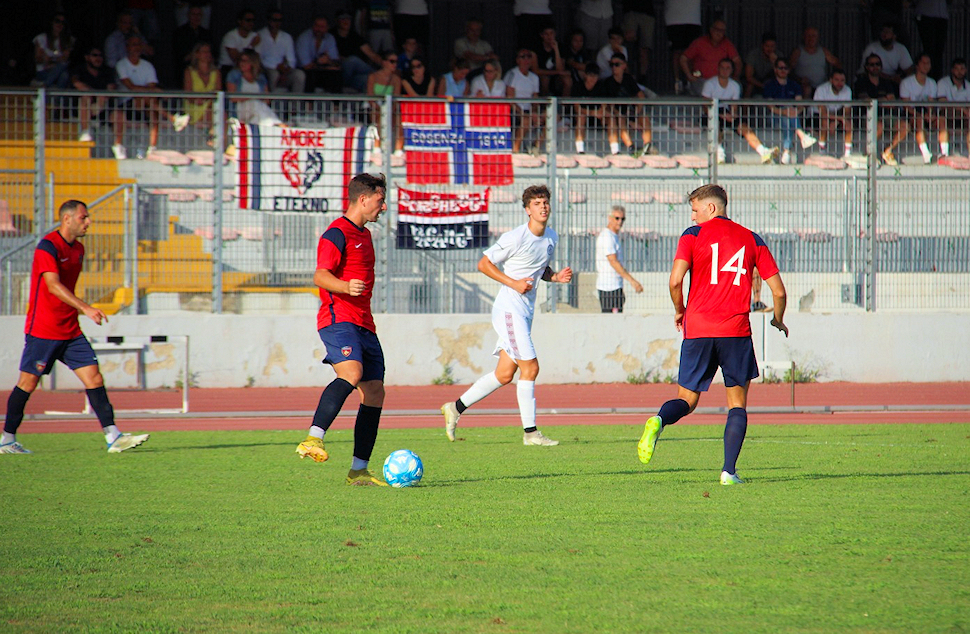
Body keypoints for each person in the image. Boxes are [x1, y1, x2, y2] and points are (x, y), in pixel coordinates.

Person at [636, 184, 788, 485]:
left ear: (711, 208)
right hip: (735, 332)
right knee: (737, 404)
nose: (692, 217)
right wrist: (777, 319)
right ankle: (729, 472)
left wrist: (680, 310)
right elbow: (779, 291)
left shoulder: (692, 236)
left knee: (687, 400)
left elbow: (675, 281)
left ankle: (658, 420)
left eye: (695, 210)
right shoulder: (752, 239)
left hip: (698, 329)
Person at [1, 200, 150, 455]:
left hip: (70, 330)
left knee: (94, 377)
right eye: (83, 217)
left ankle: (113, 436)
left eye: (88, 217)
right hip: (44, 330)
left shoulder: (79, 249)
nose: (88, 221)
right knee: (27, 383)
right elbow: (53, 286)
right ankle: (7, 439)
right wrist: (86, 308)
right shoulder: (47, 247)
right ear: (67, 219)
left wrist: (77, 312)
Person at [440, 184, 573, 446]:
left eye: (545, 202)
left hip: (525, 312)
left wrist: (554, 277)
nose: (543, 206)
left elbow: (539, 268)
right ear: (527, 210)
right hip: (509, 310)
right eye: (536, 203)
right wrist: (513, 283)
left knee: (503, 375)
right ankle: (531, 433)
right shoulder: (516, 237)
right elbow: (483, 264)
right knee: (531, 367)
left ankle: (454, 408)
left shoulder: (551, 237)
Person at [294, 173, 390, 487]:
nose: (384, 207)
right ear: (363, 199)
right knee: (350, 372)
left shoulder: (367, 235)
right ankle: (313, 438)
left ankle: (358, 470)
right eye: (379, 200)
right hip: (338, 318)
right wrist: (346, 287)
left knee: (374, 392)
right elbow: (321, 276)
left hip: (364, 322)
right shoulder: (336, 233)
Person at [113, 35, 190, 160]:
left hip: (145, 104)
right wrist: (148, 90)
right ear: (127, 47)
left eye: (138, 45)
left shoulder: (147, 66)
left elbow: (152, 86)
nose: (136, 48)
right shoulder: (121, 65)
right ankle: (173, 118)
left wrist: (148, 90)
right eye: (133, 44)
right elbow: (131, 87)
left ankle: (152, 148)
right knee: (147, 99)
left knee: (152, 110)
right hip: (126, 103)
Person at [703, 58, 779, 164]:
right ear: (718, 69)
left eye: (728, 68)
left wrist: (732, 115)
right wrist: (719, 115)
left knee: (743, 126)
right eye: (722, 68)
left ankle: (763, 151)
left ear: (732, 70)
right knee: (715, 124)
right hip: (711, 113)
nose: (725, 70)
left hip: (726, 112)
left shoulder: (735, 85)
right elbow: (705, 106)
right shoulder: (710, 83)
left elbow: (734, 106)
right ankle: (719, 154)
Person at [762, 58, 818, 165]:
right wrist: (784, 112)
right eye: (780, 68)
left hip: (790, 116)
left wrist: (795, 111)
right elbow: (770, 106)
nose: (783, 70)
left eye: (785, 68)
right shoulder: (769, 85)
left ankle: (786, 152)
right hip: (774, 116)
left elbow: (799, 104)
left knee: (788, 119)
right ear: (775, 70)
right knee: (787, 114)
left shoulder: (794, 85)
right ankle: (801, 135)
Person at [854, 54, 904, 165]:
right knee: (878, 125)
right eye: (872, 64)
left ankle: (888, 150)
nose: (875, 67)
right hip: (867, 116)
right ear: (866, 67)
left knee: (905, 126)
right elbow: (866, 102)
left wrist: (876, 101)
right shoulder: (861, 82)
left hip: (886, 115)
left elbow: (892, 102)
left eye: (877, 64)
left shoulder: (886, 82)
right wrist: (883, 100)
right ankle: (870, 153)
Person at [600, 53, 654, 156]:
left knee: (644, 118)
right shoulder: (607, 82)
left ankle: (647, 145)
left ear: (624, 65)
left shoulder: (628, 79)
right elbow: (608, 104)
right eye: (612, 65)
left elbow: (641, 96)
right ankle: (630, 146)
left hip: (631, 111)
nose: (614, 67)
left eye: (617, 64)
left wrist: (636, 113)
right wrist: (623, 116)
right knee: (621, 120)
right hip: (617, 112)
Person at [595, 205, 642, 312]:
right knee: (612, 322)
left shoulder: (613, 236)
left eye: (622, 219)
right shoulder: (607, 237)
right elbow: (613, 261)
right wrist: (632, 281)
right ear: (609, 218)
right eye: (617, 218)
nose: (620, 222)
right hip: (609, 287)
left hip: (614, 285)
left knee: (616, 319)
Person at [680, 19, 742, 96]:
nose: (719, 33)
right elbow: (683, 59)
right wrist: (689, 76)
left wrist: (735, 76)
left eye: (722, 31)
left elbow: (737, 61)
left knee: (737, 86)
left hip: (722, 80)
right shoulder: (699, 42)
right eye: (717, 29)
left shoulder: (727, 44)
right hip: (702, 80)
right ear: (711, 29)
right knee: (705, 90)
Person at [225, 49, 283, 128]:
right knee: (255, 104)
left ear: (253, 63)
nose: (242, 63)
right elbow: (232, 97)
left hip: (257, 110)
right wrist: (252, 97)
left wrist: (255, 98)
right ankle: (278, 124)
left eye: (245, 61)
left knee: (258, 120)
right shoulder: (234, 75)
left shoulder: (260, 78)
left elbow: (267, 99)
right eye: (241, 60)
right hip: (240, 109)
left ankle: (272, 128)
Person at [899, 52, 938, 164]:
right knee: (919, 120)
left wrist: (930, 114)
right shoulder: (906, 83)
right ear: (917, 65)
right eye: (923, 63)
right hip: (910, 113)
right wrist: (920, 115)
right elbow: (906, 105)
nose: (926, 65)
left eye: (928, 63)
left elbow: (931, 103)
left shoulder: (932, 83)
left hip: (924, 112)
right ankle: (926, 153)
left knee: (941, 121)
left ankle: (945, 153)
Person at [71, 46, 116, 143]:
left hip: (102, 107)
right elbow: (77, 83)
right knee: (86, 97)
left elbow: (111, 89)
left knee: (102, 97)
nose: (98, 58)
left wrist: (99, 96)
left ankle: (94, 119)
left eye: (100, 56)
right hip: (81, 107)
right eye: (94, 55)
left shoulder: (107, 71)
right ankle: (85, 131)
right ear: (87, 57)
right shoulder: (79, 69)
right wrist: (95, 93)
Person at [256, 9, 305, 93]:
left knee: (299, 75)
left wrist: (284, 71)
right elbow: (258, 58)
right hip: (267, 70)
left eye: (279, 20)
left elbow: (291, 60)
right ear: (269, 20)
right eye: (275, 20)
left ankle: (295, 105)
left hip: (285, 70)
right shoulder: (259, 35)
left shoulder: (287, 37)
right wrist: (276, 67)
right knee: (274, 74)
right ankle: (276, 103)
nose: (277, 23)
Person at [333, 10, 382, 93]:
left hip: (355, 76)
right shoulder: (331, 35)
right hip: (340, 74)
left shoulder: (355, 36)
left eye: (348, 19)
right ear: (337, 20)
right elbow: (331, 57)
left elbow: (371, 54)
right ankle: (380, 74)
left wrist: (386, 65)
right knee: (352, 60)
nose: (346, 21)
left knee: (367, 79)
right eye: (342, 19)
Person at [505, 49, 543, 153]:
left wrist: (533, 112)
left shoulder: (534, 77)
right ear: (517, 60)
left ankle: (536, 145)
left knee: (551, 117)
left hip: (528, 110)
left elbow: (535, 98)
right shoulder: (512, 74)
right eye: (523, 57)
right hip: (514, 110)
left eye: (529, 56)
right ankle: (516, 149)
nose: (526, 59)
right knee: (526, 120)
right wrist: (522, 113)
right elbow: (509, 98)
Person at [182, 42, 221, 141]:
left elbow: (218, 93)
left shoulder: (216, 72)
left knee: (214, 107)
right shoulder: (189, 71)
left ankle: (211, 136)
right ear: (197, 54)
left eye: (209, 52)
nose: (207, 54)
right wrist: (198, 100)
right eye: (204, 52)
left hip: (210, 104)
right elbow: (188, 93)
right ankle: (212, 137)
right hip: (195, 105)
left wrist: (207, 100)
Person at [788, 27, 842, 99]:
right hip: (803, 86)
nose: (811, 38)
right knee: (807, 89)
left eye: (813, 36)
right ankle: (805, 110)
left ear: (817, 38)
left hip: (821, 85)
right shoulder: (798, 52)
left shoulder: (823, 51)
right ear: (804, 37)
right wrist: (799, 79)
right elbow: (788, 70)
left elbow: (837, 64)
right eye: (808, 36)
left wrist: (833, 78)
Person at [814, 68, 854, 159]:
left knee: (849, 122)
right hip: (816, 116)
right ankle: (822, 150)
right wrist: (839, 119)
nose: (840, 83)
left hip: (836, 116)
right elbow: (823, 113)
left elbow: (847, 112)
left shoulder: (847, 90)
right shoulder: (821, 89)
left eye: (842, 80)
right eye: (836, 80)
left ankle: (848, 153)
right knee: (825, 121)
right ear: (831, 80)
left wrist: (837, 122)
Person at [366, 51, 402, 154]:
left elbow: (396, 98)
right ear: (384, 62)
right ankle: (377, 146)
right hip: (375, 106)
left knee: (398, 119)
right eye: (392, 61)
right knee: (377, 116)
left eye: (396, 62)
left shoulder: (396, 79)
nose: (395, 64)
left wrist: (390, 110)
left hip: (389, 107)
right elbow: (370, 96)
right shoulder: (373, 76)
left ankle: (398, 149)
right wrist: (379, 108)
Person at [295, 16, 342, 94]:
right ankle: (309, 105)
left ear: (327, 28)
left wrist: (328, 61)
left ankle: (336, 105)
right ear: (313, 26)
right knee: (311, 75)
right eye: (317, 26)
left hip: (322, 70)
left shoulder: (330, 38)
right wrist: (319, 62)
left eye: (322, 27)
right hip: (305, 71)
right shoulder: (304, 38)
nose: (319, 29)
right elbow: (306, 66)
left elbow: (336, 64)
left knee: (337, 75)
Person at [664, 0, 702, 94]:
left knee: (691, 53)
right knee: (676, 51)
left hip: (693, 18)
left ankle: (690, 81)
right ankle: (678, 82)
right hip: (674, 18)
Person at [936, 57, 970, 160]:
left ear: (966, 70)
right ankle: (944, 153)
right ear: (952, 70)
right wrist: (961, 109)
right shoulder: (943, 83)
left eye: (962, 69)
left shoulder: (968, 86)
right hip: (947, 114)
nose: (960, 72)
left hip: (963, 117)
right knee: (942, 119)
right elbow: (942, 102)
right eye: (957, 69)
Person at [571, 62, 604, 155]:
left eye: (595, 76)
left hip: (598, 117)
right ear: (585, 75)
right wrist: (593, 113)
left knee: (611, 118)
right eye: (590, 75)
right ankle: (580, 148)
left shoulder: (601, 87)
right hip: (582, 117)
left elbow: (604, 105)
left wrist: (599, 113)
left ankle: (615, 149)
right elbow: (577, 108)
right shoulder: (577, 86)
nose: (593, 78)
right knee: (581, 117)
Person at [32, 13, 74, 88]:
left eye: (63, 22)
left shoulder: (68, 40)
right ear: (52, 22)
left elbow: (64, 59)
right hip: (43, 71)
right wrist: (54, 61)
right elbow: (39, 59)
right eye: (57, 21)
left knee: (64, 74)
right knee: (62, 70)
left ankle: (44, 86)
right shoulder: (41, 38)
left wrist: (51, 62)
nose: (60, 24)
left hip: (58, 70)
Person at [619, 0, 655, 83]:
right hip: (630, 10)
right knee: (628, 44)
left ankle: (643, 78)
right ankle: (627, 74)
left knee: (645, 48)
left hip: (647, 11)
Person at [172, 3, 211, 79]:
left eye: (199, 14)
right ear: (188, 15)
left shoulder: (206, 33)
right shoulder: (179, 32)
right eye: (194, 14)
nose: (196, 17)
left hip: (204, 68)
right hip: (184, 69)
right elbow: (179, 55)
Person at [218, 9, 260, 78]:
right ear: (240, 21)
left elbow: (256, 59)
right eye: (248, 20)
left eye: (253, 20)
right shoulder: (230, 36)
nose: (251, 23)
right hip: (228, 67)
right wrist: (251, 45)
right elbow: (237, 60)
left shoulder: (255, 36)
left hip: (248, 68)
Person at [913, 0, 948, 80]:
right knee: (929, 50)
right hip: (926, 13)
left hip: (942, 15)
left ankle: (936, 79)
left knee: (939, 52)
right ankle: (928, 78)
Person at [534, 26, 571, 96]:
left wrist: (556, 49)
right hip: (542, 76)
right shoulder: (537, 48)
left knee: (568, 80)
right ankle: (545, 105)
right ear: (541, 35)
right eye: (546, 34)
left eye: (551, 33)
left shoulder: (560, 47)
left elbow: (561, 69)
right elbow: (535, 70)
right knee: (545, 80)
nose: (549, 36)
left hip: (557, 78)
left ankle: (564, 106)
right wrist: (556, 72)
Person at [743, 31, 777, 98]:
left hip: (772, 83)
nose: (770, 49)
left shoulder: (779, 55)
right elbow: (749, 77)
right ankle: (745, 108)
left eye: (772, 46)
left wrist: (774, 63)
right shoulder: (753, 55)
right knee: (749, 86)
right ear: (762, 46)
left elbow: (782, 74)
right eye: (767, 46)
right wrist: (763, 86)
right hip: (756, 83)